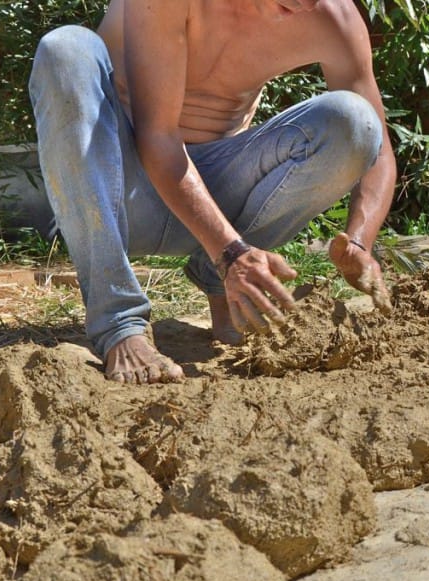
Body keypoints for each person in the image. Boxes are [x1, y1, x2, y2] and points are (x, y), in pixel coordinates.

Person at [29, 0, 395, 384]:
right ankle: (119, 324)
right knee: (65, 48)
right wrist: (231, 253)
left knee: (355, 122)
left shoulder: (331, 16)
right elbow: (159, 139)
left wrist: (359, 242)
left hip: (217, 201)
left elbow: (380, 151)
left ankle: (225, 288)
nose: (306, 3)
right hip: (119, 192)